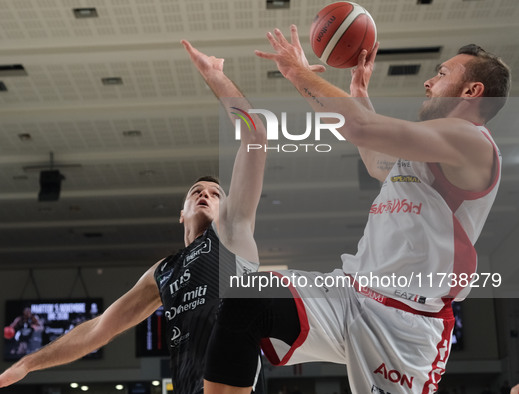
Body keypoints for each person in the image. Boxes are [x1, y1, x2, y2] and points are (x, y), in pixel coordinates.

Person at [203, 25, 510, 394]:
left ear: (472, 91)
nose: (429, 82)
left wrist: (296, 72)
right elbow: (379, 164)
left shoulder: (472, 141)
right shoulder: (434, 151)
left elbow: (361, 129)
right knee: (248, 299)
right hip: (351, 292)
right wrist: (360, 94)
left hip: (406, 324)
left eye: (442, 73)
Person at [0, 40, 270, 394]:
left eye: (215, 193)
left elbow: (254, 133)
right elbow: (96, 330)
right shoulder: (162, 273)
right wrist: (26, 363)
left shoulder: (233, 231)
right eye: (196, 191)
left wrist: (215, 78)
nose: (205, 194)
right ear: (182, 214)